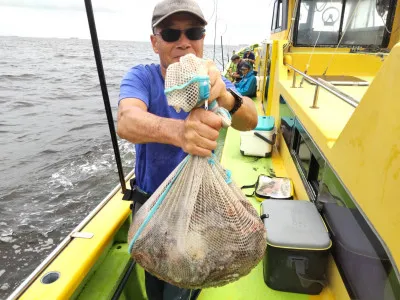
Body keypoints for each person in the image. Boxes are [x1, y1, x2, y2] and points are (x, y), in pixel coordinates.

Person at [117, 0, 258, 299]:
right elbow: (127, 120)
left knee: (186, 284)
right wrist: (180, 132)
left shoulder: (215, 81)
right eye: (171, 34)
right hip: (153, 206)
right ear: (155, 42)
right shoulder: (142, 77)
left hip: (202, 210)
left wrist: (227, 99)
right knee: (154, 282)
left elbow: (251, 121)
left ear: (202, 39)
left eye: (193, 32)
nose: (184, 42)